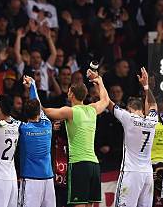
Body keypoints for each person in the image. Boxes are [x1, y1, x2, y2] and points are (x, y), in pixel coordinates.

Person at [40, 70, 110, 207]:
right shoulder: (92, 109)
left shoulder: (69, 111)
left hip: (79, 164)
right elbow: (106, 100)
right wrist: (99, 81)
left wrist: (32, 89)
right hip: (94, 165)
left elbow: (44, 111)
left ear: (71, 94)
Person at [108, 67, 158, 207]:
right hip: (147, 174)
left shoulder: (128, 118)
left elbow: (109, 103)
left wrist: (99, 81)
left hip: (131, 173)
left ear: (130, 109)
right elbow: (153, 105)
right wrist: (146, 86)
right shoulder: (152, 120)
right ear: (142, 109)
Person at [20, 76, 56, 207]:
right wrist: (32, 85)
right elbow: (38, 104)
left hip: (30, 179)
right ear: (38, 113)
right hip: (48, 178)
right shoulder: (47, 125)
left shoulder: (22, 128)